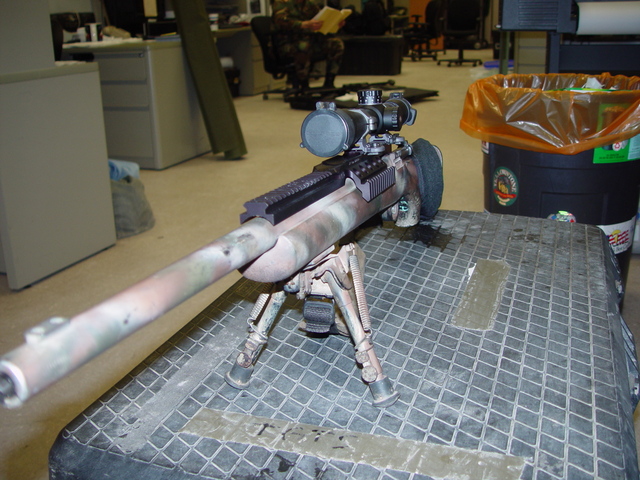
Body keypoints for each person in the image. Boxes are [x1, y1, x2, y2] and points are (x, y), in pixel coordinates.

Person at [272, 0, 345, 89]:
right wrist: (303, 24)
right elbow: (280, 22)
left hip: (310, 40)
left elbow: (322, 18)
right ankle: (304, 85)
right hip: (288, 42)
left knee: (336, 44)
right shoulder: (282, 2)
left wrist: (335, 23)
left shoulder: (309, 3)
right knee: (303, 46)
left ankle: (329, 83)